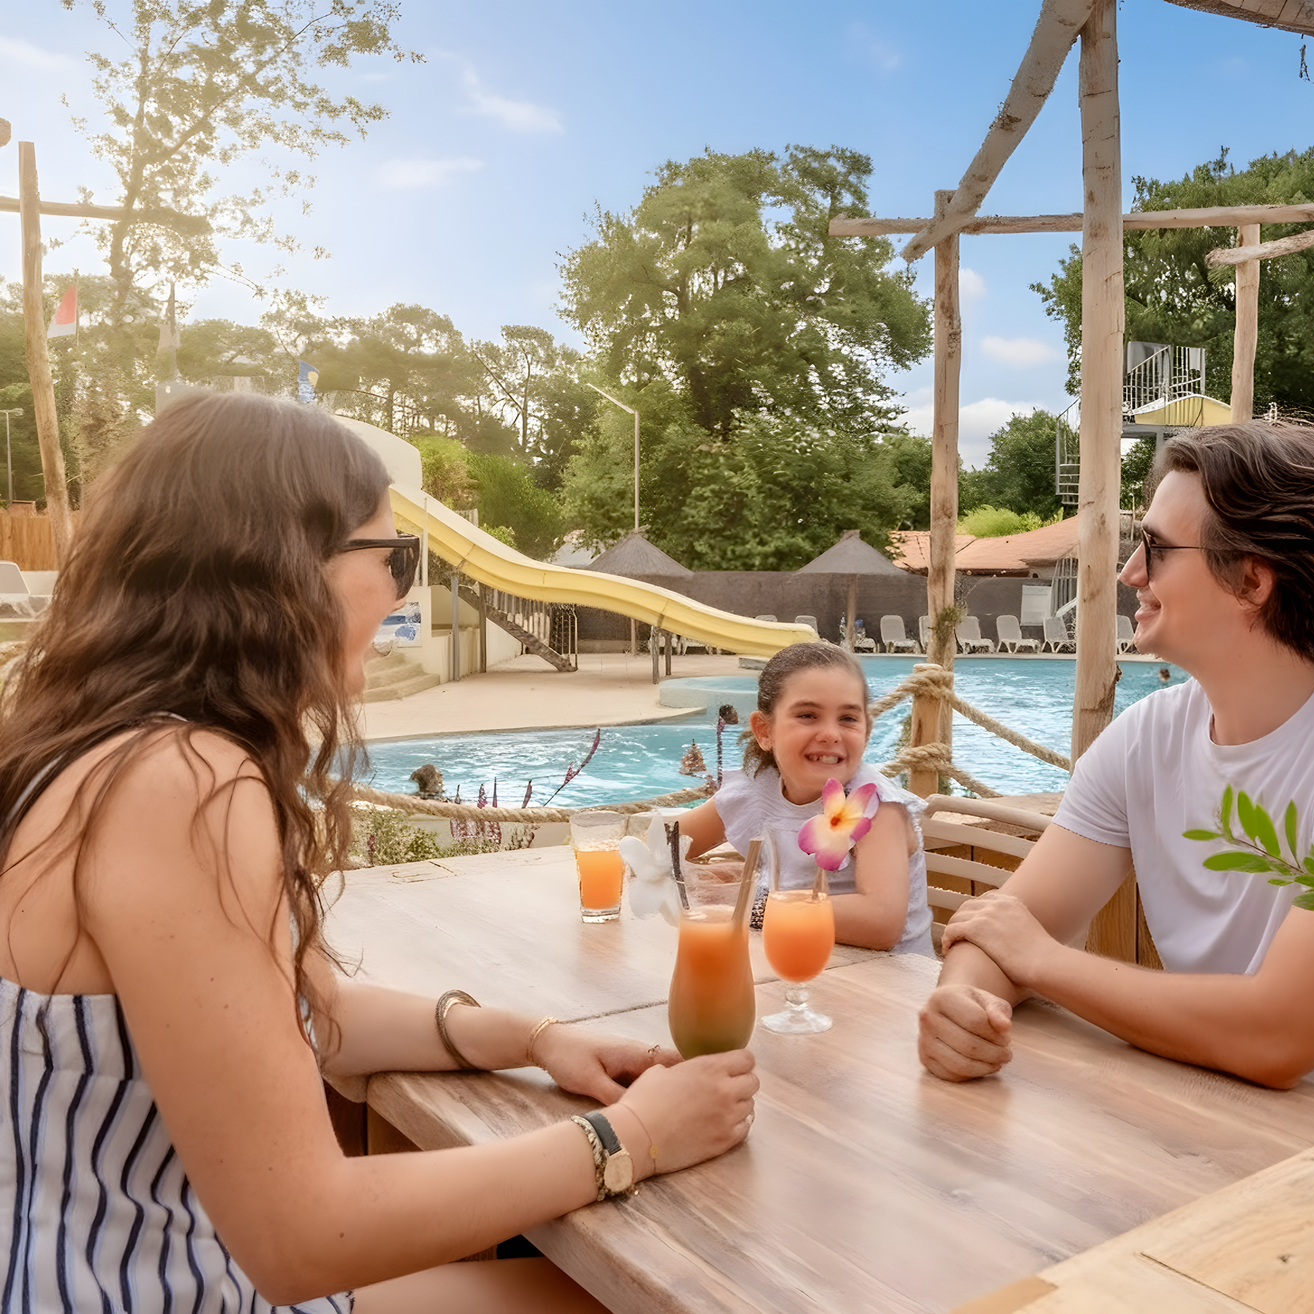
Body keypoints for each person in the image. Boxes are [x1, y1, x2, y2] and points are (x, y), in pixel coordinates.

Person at [0, 392, 758, 1313]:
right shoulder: (183, 783)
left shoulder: (91, 753)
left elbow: (303, 1014)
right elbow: (304, 1233)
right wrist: (631, 1138)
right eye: (394, 558)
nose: (403, 590)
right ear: (281, 565)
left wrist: (532, 1038)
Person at [918, 420, 1314, 1106]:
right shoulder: (1148, 739)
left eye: (1157, 549)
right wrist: (961, 1006)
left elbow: (1279, 1036)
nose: (1132, 572)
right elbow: (1001, 930)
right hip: (1225, 1126)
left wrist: (1042, 963)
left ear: (1252, 579)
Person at [676, 642, 933, 956]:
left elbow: (881, 923)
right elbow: (665, 846)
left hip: (885, 986)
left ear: (866, 732)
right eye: (808, 715)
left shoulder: (873, 806)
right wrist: (699, 879)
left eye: (848, 719)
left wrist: (751, 906)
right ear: (764, 730)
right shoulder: (757, 791)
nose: (830, 733)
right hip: (794, 965)